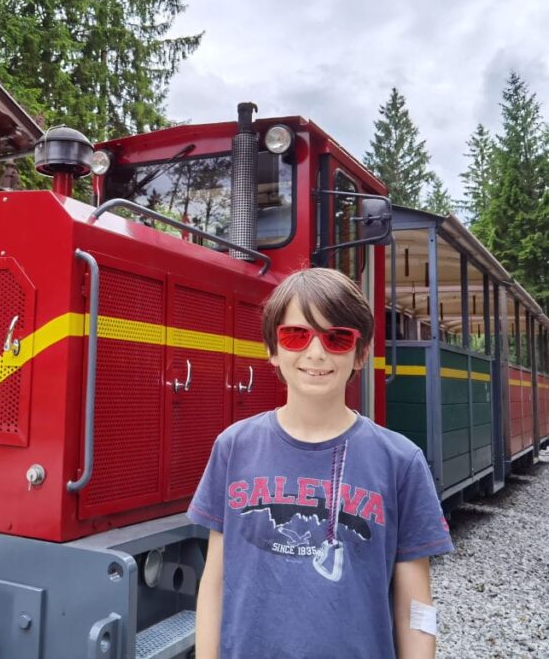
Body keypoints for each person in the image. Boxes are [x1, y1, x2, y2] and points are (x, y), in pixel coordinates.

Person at [189, 268, 453, 658]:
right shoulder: (234, 447)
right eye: (296, 335)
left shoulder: (400, 462)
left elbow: (414, 605)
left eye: (337, 338)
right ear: (272, 349)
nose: (316, 353)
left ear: (361, 353)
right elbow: (215, 580)